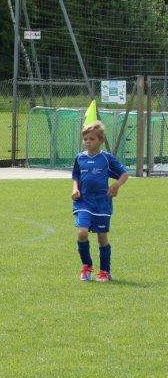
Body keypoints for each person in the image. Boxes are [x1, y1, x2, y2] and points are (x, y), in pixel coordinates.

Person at [73, 121, 128, 282]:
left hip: (102, 204)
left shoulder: (106, 158)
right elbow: (76, 175)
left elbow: (124, 174)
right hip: (83, 202)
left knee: (102, 238)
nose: (88, 142)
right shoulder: (80, 158)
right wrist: (74, 189)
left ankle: (105, 271)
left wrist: (116, 185)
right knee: (82, 233)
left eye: (92, 139)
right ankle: (86, 266)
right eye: (85, 139)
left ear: (101, 141)